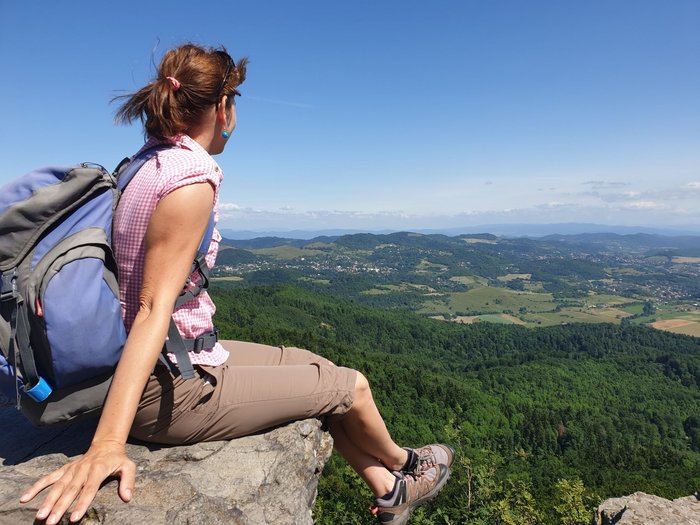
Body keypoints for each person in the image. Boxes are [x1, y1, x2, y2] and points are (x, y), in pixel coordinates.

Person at [19, 43, 453, 525]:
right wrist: (107, 445)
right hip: (167, 388)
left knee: (317, 367)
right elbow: (151, 308)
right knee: (352, 386)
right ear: (223, 107)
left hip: (178, 358)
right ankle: (403, 466)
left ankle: (389, 489)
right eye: (235, 102)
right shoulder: (190, 179)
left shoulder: (144, 164)